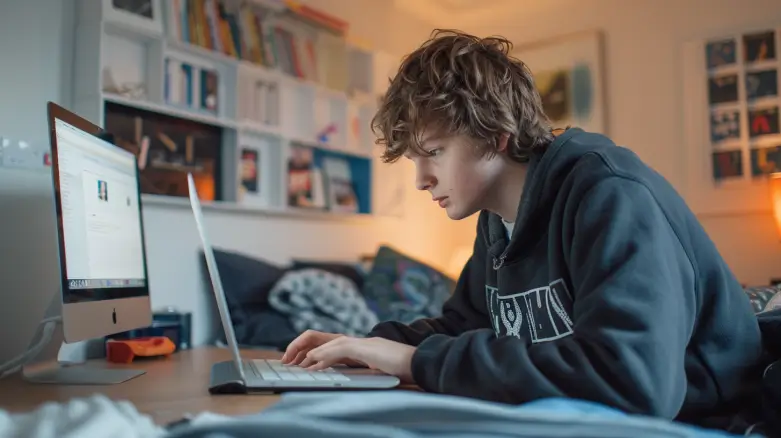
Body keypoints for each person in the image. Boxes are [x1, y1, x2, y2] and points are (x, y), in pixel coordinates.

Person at [281, 29, 768, 432]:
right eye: (414, 159)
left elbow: (635, 383)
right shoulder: (497, 216)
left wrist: (415, 362)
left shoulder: (611, 195)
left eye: (434, 152)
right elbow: (464, 327)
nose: (421, 180)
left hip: (708, 423)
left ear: (496, 135)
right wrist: (361, 347)